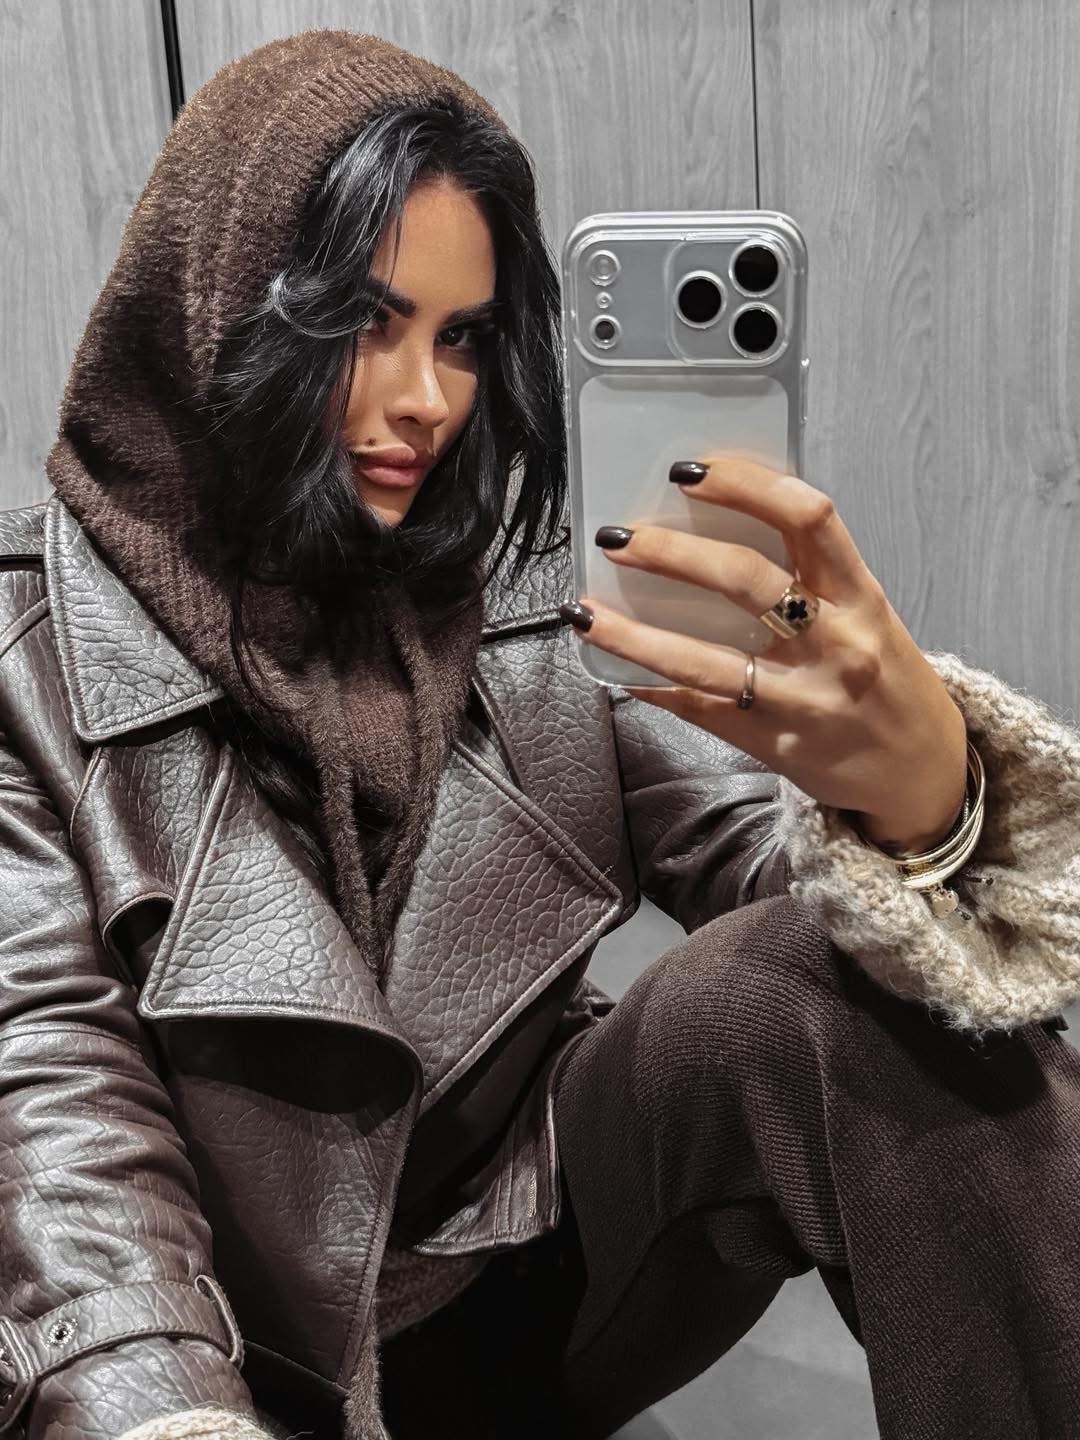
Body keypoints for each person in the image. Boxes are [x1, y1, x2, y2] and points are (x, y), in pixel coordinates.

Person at [0, 25, 1077, 1440]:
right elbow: (59, 1117)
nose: (426, 401)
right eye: (365, 322)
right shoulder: (35, 661)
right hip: (246, 1359)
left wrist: (929, 812)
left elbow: (755, 848)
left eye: (462, 336)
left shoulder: (508, 586)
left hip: (535, 1277)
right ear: (216, 306)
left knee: (850, 994)